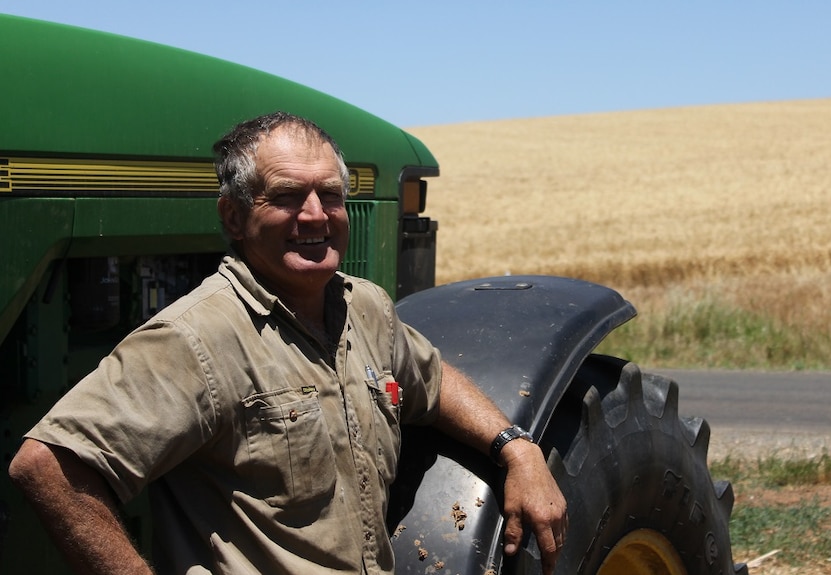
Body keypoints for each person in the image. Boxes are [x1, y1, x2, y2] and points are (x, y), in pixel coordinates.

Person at [8, 112, 567, 575]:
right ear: (233, 215)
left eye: (329, 194)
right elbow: (49, 464)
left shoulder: (364, 307)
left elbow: (433, 380)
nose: (314, 215)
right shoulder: (198, 338)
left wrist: (518, 449)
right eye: (286, 197)